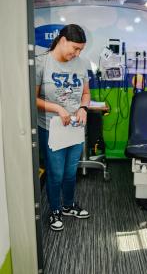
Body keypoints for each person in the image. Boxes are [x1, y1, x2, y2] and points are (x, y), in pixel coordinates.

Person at [36, 24, 91, 231]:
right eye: (75, 48)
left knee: (70, 173)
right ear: (62, 40)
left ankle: (68, 205)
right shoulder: (42, 62)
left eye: (80, 50)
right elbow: (33, 99)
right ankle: (55, 210)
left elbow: (86, 94)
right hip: (51, 129)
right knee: (55, 173)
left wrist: (84, 108)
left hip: (75, 128)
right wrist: (57, 108)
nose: (77, 54)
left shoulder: (81, 63)